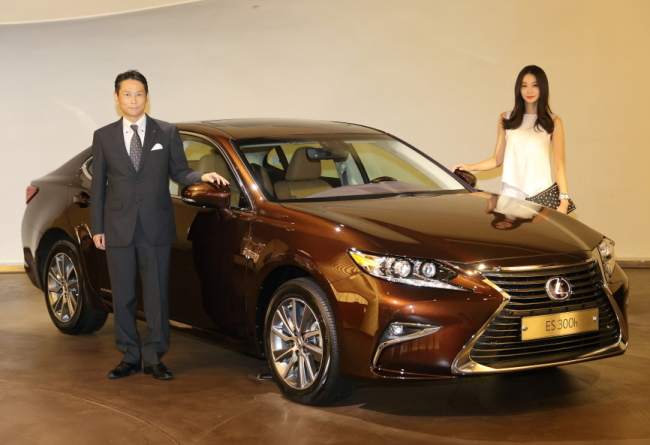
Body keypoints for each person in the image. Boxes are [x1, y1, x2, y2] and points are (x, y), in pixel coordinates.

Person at [90, 70, 228, 380]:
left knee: (156, 296)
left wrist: (202, 176)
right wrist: (97, 227)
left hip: (155, 226)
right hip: (117, 227)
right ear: (116, 98)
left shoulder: (166, 132)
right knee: (122, 295)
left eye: (139, 93)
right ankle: (128, 355)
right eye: (127, 94)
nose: (133, 99)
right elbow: (99, 185)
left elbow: (180, 171)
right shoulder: (104, 136)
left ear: (147, 97)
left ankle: (154, 357)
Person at [451, 65, 571, 214]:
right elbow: (497, 159)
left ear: (543, 88)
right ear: (518, 89)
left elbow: (558, 166)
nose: (529, 91)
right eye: (524, 86)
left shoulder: (554, 122)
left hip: (541, 193)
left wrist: (563, 201)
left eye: (535, 85)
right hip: (511, 193)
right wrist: (470, 167)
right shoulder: (506, 118)